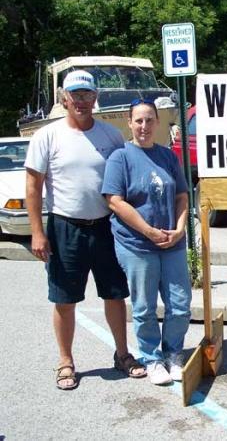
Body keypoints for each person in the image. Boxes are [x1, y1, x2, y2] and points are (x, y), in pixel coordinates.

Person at [25, 70, 146, 391]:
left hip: (107, 227)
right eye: (75, 95)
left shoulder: (111, 136)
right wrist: (37, 232)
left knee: (115, 294)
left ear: (96, 98)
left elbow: (126, 181)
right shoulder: (46, 136)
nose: (81, 101)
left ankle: (122, 354)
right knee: (64, 300)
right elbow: (33, 188)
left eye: (86, 94)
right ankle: (66, 361)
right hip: (65, 227)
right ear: (64, 98)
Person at [102, 98, 192, 386]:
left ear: (157, 122)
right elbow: (114, 201)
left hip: (172, 243)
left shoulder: (168, 156)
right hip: (137, 245)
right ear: (129, 123)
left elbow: (182, 196)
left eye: (149, 120)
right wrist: (148, 231)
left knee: (180, 304)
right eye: (138, 120)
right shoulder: (120, 158)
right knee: (144, 307)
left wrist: (179, 229)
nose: (144, 126)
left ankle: (173, 353)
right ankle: (151, 358)